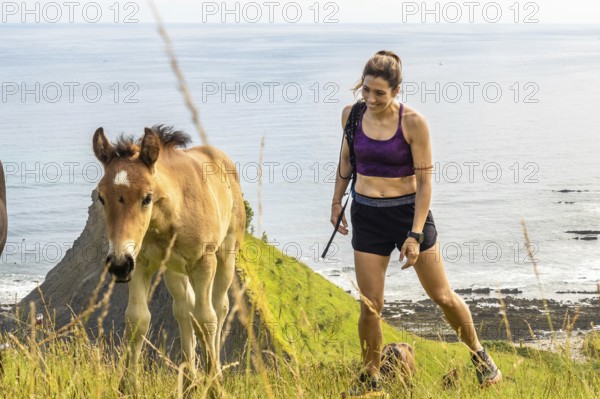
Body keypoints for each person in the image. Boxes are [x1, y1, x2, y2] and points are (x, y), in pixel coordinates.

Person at [330, 50, 502, 397]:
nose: (371, 98)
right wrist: (336, 202)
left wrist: (414, 233)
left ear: (396, 90)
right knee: (370, 305)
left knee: (441, 295)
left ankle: (482, 359)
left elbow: (425, 183)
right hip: (367, 214)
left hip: (409, 212)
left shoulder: (413, 123)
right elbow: (346, 161)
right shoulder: (351, 115)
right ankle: (370, 377)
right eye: (366, 90)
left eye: (379, 92)